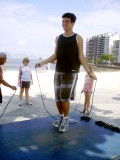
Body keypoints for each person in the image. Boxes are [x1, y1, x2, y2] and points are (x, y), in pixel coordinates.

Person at [35, 12, 96, 132]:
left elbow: (81, 56)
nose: (64, 23)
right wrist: (42, 62)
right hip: (58, 71)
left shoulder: (78, 38)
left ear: (73, 23)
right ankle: (61, 117)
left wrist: (89, 72)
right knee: (57, 98)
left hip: (71, 72)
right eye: (63, 21)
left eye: (67, 21)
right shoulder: (58, 38)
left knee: (64, 98)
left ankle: (66, 119)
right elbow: (55, 55)